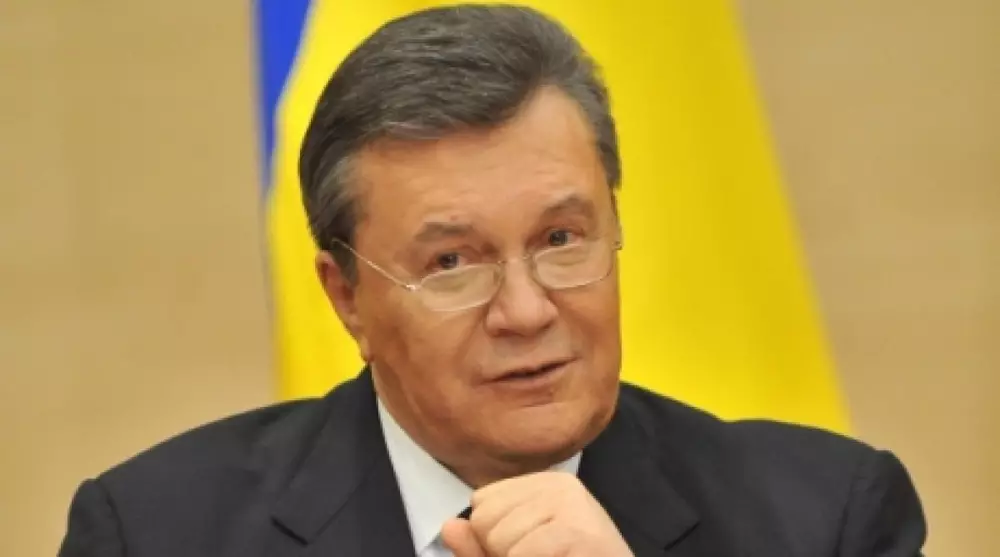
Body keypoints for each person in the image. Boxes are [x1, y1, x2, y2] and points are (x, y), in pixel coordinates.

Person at [59, 4, 926, 557]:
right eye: (453, 262)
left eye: (561, 238)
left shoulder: (826, 521)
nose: (526, 309)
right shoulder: (158, 533)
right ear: (346, 296)